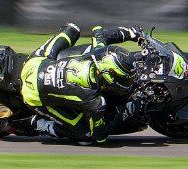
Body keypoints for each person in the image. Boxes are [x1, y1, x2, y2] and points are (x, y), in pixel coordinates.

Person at [15, 22, 152, 144]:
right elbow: (100, 136)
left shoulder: (98, 55)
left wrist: (131, 33)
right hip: (34, 94)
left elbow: (99, 32)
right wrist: (123, 111)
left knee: (72, 29)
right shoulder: (94, 99)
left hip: (37, 62)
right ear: (108, 77)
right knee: (85, 136)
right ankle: (38, 124)